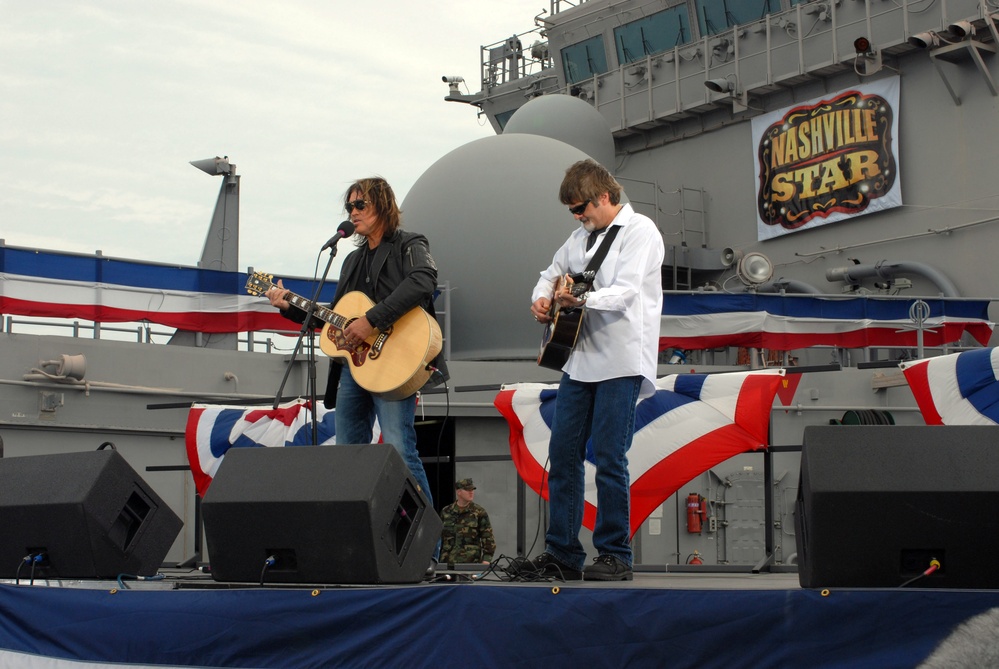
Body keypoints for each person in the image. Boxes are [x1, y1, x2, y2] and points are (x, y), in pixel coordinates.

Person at [265, 176, 445, 532]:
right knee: (349, 454)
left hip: (396, 364)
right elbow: (334, 319)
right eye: (349, 206)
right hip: (354, 370)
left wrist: (371, 321)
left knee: (399, 450)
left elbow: (424, 281)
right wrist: (288, 306)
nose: (353, 212)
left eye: (360, 205)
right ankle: (362, 539)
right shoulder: (350, 261)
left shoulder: (410, 243)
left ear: (383, 206)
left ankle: (426, 543)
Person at [521, 159, 664, 582]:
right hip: (579, 360)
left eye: (581, 207)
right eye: (572, 211)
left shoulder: (641, 232)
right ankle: (563, 553)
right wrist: (542, 299)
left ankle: (615, 553)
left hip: (621, 360)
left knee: (609, 457)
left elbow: (624, 294)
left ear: (604, 196)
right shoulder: (578, 238)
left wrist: (579, 300)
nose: (579, 216)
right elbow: (549, 275)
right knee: (563, 455)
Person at [439, 478, 497, 566]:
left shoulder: (478, 512)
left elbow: (488, 538)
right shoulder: (446, 512)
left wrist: (486, 561)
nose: (471, 492)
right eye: (468, 490)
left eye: (472, 490)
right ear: (459, 492)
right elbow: (438, 538)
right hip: (448, 563)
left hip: (471, 563)